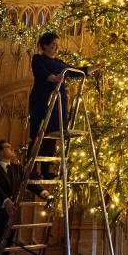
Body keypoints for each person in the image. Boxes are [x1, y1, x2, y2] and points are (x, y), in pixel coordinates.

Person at [27, 33, 105, 192]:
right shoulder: (38, 59)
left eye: (57, 44)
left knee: (54, 135)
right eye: (54, 44)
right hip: (43, 100)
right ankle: (32, 169)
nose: (57, 47)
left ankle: (47, 171)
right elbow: (42, 73)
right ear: (45, 45)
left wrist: (96, 67)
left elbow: (78, 71)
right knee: (40, 134)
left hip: (59, 103)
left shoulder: (60, 63)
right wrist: (54, 78)